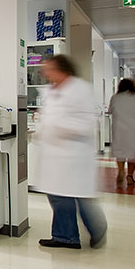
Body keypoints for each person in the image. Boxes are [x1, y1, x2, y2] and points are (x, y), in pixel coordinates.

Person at [35, 55, 107, 249]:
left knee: (80, 197)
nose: (45, 72)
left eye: (48, 68)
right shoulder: (50, 91)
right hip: (54, 155)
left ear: (61, 69)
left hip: (74, 154)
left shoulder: (80, 88)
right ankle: (65, 236)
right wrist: (41, 131)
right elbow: (48, 118)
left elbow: (88, 122)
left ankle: (97, 228)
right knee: (59, 197)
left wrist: (59, 128)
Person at [109, 78, 135, 185]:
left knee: (120, 151)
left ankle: (121, 170)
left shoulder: (115, 97)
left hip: (119, 128)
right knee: (133, 153)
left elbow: (110, 110)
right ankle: (130, 175)